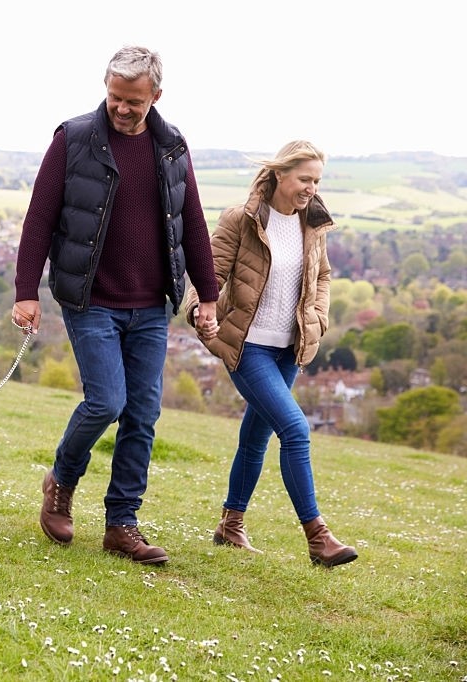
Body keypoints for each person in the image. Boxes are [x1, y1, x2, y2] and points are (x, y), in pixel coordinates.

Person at [11, 45, 219, 565]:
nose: (122, 109)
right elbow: (39, 218)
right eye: (115, 98)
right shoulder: (74, 138)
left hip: (150, 304)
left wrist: (208, 296)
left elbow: (191, 223)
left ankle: (122, 524)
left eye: (134, 101)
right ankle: (61, 481)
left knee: (143, 413)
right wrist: (25, 291)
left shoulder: (171, 146)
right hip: (91, 299)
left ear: (156, 95)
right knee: (107, 402)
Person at [183, 140, 358, 568]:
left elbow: (322, 276)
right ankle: (318, 537)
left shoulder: (312, 224)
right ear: (280, 174)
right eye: (304, 179)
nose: (311, 189)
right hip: (248, 346)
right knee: (296, 430)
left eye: (316, 181)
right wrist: (197, 310)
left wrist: (317, 318)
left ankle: (230, 524)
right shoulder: (240, 220)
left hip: (288, 350)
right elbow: (211, 273)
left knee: (256, 437)